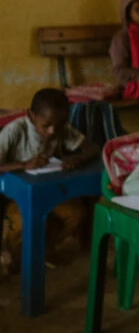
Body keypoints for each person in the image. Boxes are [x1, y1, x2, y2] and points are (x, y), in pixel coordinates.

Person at [0, 89, 100, 274]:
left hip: (49, 190)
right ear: (31, 116)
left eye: (59, 125)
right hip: (19, 195)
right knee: (21, 223)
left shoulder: (62, 129)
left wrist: (76, 159)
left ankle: (42, 248)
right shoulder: (15, 130)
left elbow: (92, 149)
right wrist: (23, 164)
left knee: (77, 214)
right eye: (46, 125)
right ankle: (14, 257)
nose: (52, 131)